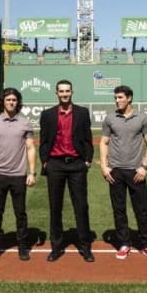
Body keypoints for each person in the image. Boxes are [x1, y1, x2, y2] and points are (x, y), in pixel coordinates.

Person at [99, 85, 147, 260]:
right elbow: (103, 143)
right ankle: (124, 243)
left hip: (136, 171)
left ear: (129, 98)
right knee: (119, 210)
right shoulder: (110, 118)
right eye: (115, 98)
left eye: (120, 97)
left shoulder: (142, 119)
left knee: (142, 210)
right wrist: (104, 167)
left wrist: (144, 167)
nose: (117, 100)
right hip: (116, 172)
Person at [39, 79, 94, 262]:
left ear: (72, 92)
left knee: (81, 207)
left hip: (77, 165)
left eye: (67, 91)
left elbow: (88, 139)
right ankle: (56, 247)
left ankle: (85, 247)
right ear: (56, 93)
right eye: (61, 91)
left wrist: (87, 160)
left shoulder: (82, 113)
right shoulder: (47, 115)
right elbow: (44, 141)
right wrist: (45, 162)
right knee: (55, 208)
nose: (64, 94)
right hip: (55, 164)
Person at [0, 88, 36, 261]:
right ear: (3, 102)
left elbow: (30, 148)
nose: (11, 102)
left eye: (14, 100)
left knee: (20, 213)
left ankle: (22, 246)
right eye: (8, 100)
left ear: (17, 102)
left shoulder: (25, 123)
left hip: (19, 175)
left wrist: (32, 172)